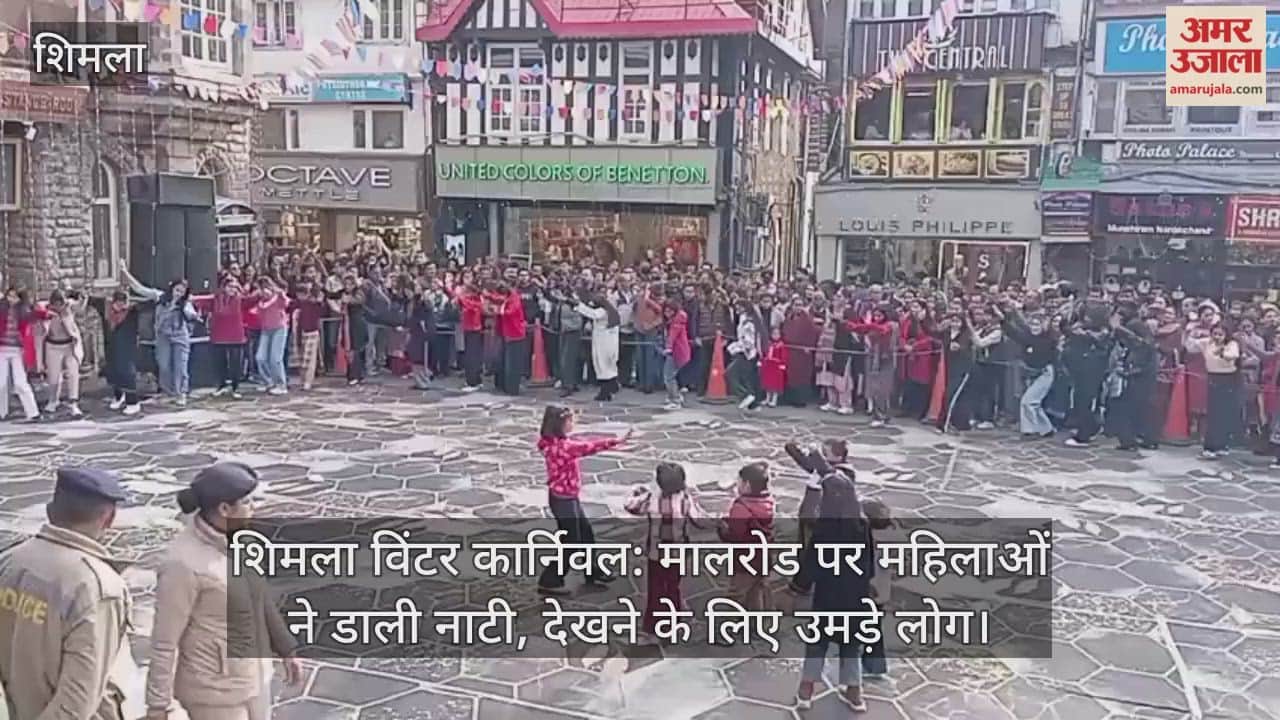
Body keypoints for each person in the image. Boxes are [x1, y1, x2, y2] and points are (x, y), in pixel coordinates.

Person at [145, 463, 302, 720]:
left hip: (254, 676)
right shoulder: (182, 564)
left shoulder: (242, 539)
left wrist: (287, 649)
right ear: (225, 509)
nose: (255, 507)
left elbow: (260, 596)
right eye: (248, 501)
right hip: (213, 691)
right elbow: (164, 641)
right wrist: (158, 705)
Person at [0, 467, 130, 720]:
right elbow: (77, 701)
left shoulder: (9, 561)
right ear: (109, 519)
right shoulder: (97, 586)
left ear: (50, 511)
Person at [793, 470, 873, 712]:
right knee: (851, 644)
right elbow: (869, 562)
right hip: (855, 597)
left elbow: (812, 564)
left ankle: (806, 691)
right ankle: (854, 694)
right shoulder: (862, 525)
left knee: (817, 642)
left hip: (827, 597)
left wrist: (797, 587)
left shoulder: (825, 529)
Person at [536, 405, 631, 595]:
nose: (572, 424)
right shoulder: (562, 448)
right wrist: (616, 441)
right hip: (564, 500)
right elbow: (588, 447)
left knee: (585, 534)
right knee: (572, 542)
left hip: (566, 497)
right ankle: (550, 579)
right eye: (569, 421)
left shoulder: (548, 442)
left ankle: (592, 571)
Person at [624, 461, 704, 643]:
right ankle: (675, 621)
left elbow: (631, 507)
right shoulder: (685, 499)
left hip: (656, 554)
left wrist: (638, 493)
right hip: (679, 553)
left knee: (656, 588)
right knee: (673, 586)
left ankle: (652, 627)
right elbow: (699, 519)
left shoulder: (652, 499)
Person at [124, 270, 199, 407]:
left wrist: (191, 314)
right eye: (177, 290)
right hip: (163, 336)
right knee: (163, 365)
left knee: (180, 366)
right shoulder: (160, 297)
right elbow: (140, 289)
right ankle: (169, 391)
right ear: (172, 288)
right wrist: (124, 272)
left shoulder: (185, 303)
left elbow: (192, 314)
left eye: (182, 292)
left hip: (180, 336)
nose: (179, 294)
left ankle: (181, 393)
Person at [718, 462, 775, 611]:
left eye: (739, 482)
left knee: (736, 592)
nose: (736, 485)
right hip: (763, 557)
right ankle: (760, 621)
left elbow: (734, 536)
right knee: (756, 590)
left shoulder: (741, 508)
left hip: (745, 560)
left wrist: (722, 527)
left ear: (747, 485)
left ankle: (733, 622)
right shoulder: (768, 502)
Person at [90, 289, 144, 416]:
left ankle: (133, 402)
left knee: (126, 372)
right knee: (113, 371)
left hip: (127, 347)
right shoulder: (107, 310)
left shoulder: (132, 312)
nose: (120, 305)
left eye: (122, 302)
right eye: (117, 302)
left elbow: (148, 301)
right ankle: (119, 397)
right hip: (111, 346)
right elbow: (91, 299)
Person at [1191, 323, 1241, 459]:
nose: (1217, 337)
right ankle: (1210, 447)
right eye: (1215, 334)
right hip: (1213, 378)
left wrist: (1222, 350)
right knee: (1213, 414)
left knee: (1225, 413)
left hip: (1229, 379)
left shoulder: (1232, 344)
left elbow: (1232, 356)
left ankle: (1222, 445)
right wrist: (1192, 333)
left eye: (1220, 334)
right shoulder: (1207, 343)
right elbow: (1190, 345)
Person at [35, 289, 87, 417]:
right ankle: (53, 401)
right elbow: (36, 308)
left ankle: (74, 404)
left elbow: (81, 305)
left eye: (61, 304)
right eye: (55, 304)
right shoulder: (45, 311)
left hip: (70, 345)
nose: (58, 307)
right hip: (53, 346)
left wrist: (81, 296)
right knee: (53, 375)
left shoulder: (69, 308)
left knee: (73, 374)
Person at [203, 275, 249, 399]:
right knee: (219, 362)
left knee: (235, 364)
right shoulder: (216, 299)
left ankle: (235, 387)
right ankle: (221, 385)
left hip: (236, 336)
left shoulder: (241, 299)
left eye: (234, 287)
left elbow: (254, 298)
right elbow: (201, 300)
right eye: (230, 286)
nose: (232, 289)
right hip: (218, 335)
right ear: (223, 287)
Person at [0, 286, 41, 422]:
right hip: (2, 349)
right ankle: (2, 412)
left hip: (17, 350)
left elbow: (39, 314)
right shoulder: (2, 308)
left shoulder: (23, 311)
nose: (11, 299)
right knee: (1, 383)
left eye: (14, 297)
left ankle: (33, 412)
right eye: (9, 296)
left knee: (20, 382)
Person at [577, 294, 621, 401]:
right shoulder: (612, 312)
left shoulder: (603, 312)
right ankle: (612, 387)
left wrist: (578, 305)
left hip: (604, 344)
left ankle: (605, 392)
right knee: (608, 367)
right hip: (608, 343)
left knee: (603, 366)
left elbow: (592, 314)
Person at [255, 278, 290, 395]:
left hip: (279, 329)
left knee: (275, 358)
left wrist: (279, 292)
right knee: (260, 357)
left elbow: (285, 302)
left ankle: (281, 384)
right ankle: (268, 382)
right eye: (261, 289)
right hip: (265, 330)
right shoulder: (260, 303)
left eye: (266, 288)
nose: (264, 292)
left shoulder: (278, 298)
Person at [727, 298, 761, 410]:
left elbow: (748, 341)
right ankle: (753, 403)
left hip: (745, 353)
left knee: (730, 374)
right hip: (743, 352)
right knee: (745, 377)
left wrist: (737, 347)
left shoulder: (748, 322)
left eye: (739, 306)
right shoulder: (743, 319)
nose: (737, 309)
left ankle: (745, 395)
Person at [662, 300, 692, 410]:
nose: (667, 313)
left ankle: (675, 399)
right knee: (670, 376)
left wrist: (668, 348)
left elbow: (672, 336)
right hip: (679, 352)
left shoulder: (676, 322)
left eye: (669, 311)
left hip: (676, 352)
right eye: (665, 311)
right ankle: (674, 397)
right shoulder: (676, 320)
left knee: (668, 376)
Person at [759, 326, 788, 408]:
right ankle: (767, 398)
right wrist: (762, 361)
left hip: (776, 366)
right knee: (768, 383)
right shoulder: (769, 343)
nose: (775, 336)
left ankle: (774, 400)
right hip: (768, 366)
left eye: (777, 334)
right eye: (774, 334)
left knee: (776, 384)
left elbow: (784, 356)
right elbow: (765, 353)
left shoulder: (781, 345)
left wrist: (782, 364)